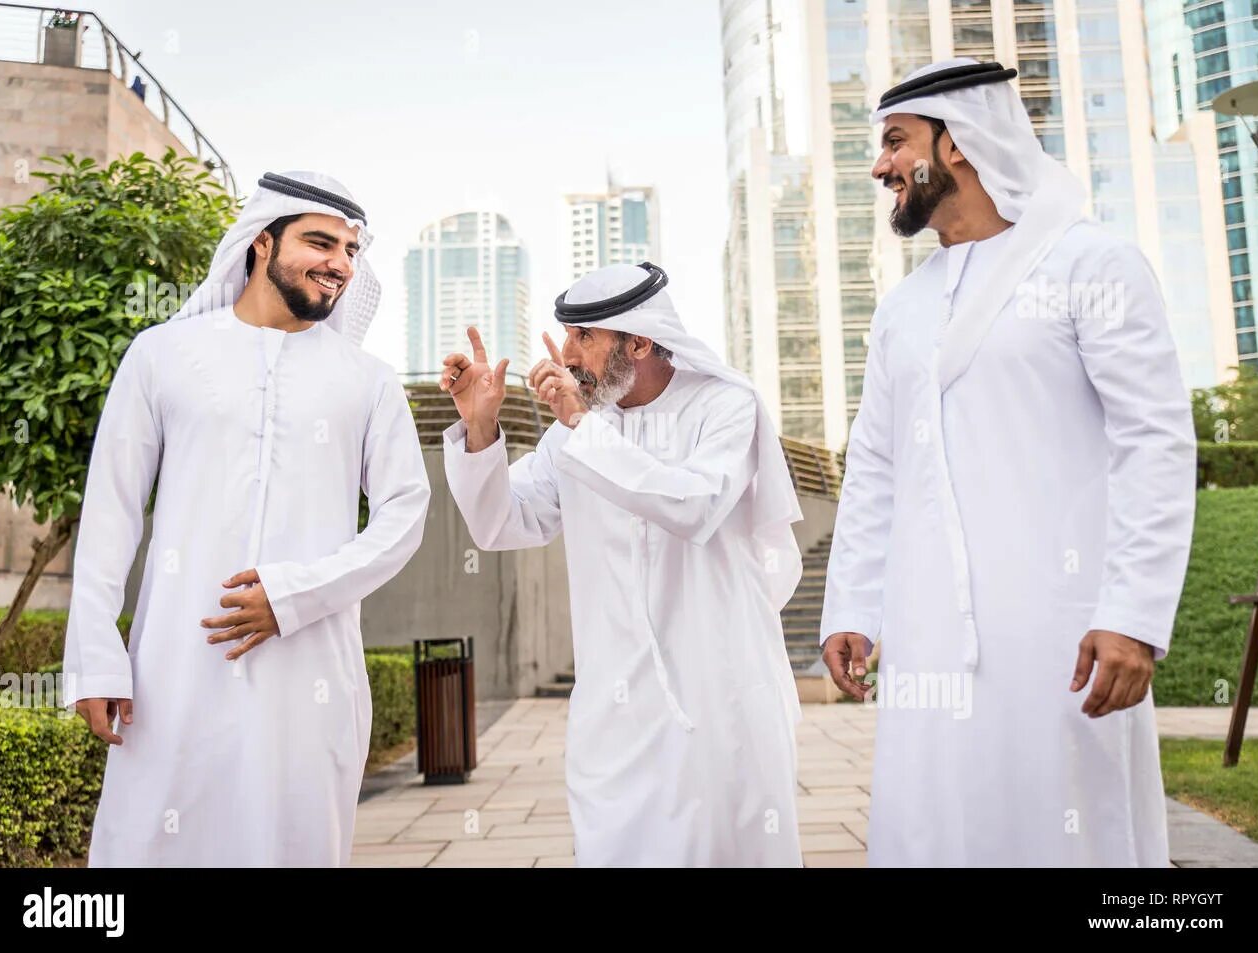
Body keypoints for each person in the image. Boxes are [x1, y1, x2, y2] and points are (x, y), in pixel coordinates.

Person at [820, 59, 1197, 866]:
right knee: (930, 827)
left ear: (957, 144)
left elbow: (1155, 439)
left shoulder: (1091, 264)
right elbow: (876, 466)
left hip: (1059, 631)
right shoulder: (902, 309)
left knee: (1065, 828)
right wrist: (852, 603)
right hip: (924, 638)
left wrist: (1133, 611)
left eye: (895, 142)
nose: (880, 165)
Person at [62, 171, 431, 866]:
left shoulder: (367, 379)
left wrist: (294, 595)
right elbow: (111, 510)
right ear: (261, 243)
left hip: (310, 669)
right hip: (174, 668)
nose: (340, 264)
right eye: (320, 242)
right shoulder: (163, 354)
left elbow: (405, 512)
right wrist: (94, 658)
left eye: (351, 250)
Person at [441, 263, 804, 866]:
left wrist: (582, 425)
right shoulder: (573, 434)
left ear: (638, 340)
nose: (570, 354)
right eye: (568, 335)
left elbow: (695, 505)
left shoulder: (725, 405)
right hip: (615, 708)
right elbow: (501, 523)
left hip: (721, 693)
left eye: (585, 336)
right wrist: (480, 427)